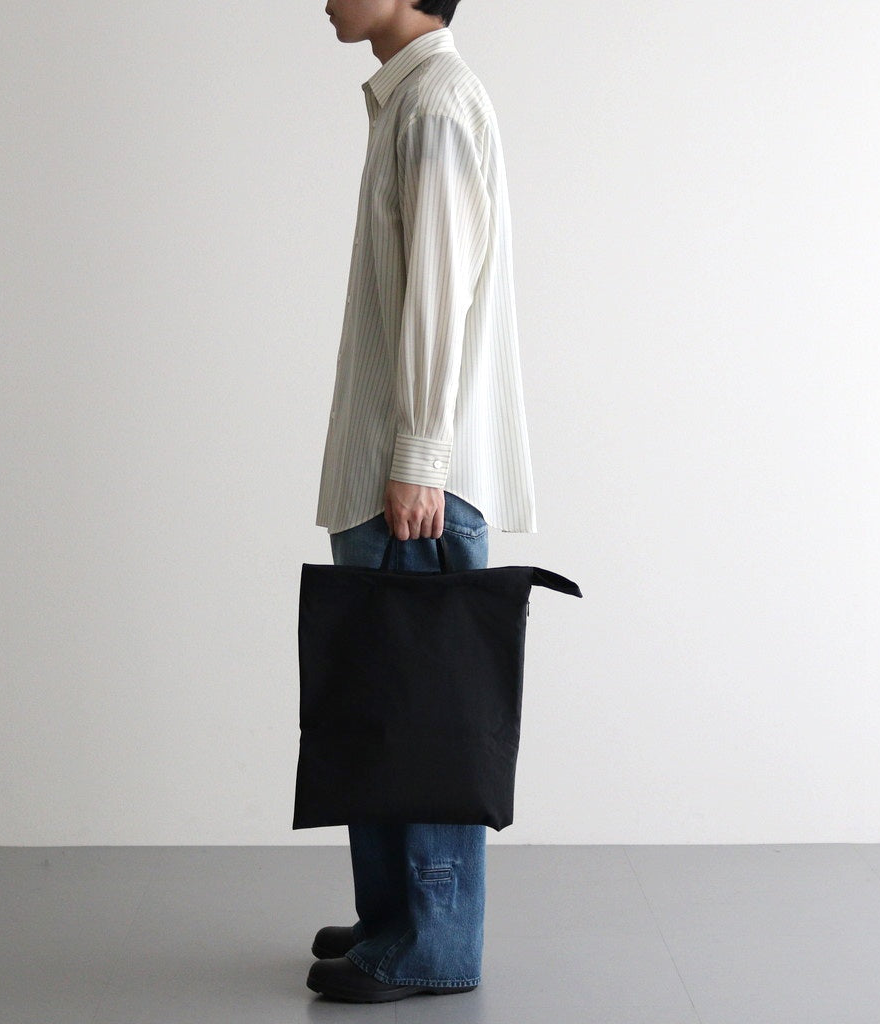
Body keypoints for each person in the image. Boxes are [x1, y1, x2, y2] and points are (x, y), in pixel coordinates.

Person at [307, 0, 537, 1003]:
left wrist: (418, 458)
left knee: (421, 712)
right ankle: (395, 919)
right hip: (395, 468)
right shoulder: (411, 101)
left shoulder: (436, 105)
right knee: (381, 705)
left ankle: (435, 943)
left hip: (413, 478)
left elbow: (440, 296)